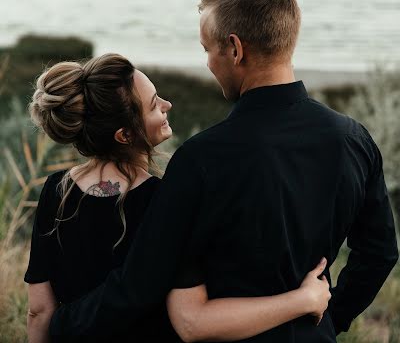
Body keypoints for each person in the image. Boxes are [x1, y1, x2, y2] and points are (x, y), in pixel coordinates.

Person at [49, 0, 399, 343]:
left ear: (235, 49)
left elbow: (139, 285)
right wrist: (327, 319)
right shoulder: (353, 140)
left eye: (207, 50)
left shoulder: (200, 159)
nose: (209, 64)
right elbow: (379, 254)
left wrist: (63, 325)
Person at [25, 53, 331, 343]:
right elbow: (191, 314)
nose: (168, 104)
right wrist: (302, 300)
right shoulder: (163, 198)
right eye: (155, 104)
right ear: (125, 135)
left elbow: (39, 310)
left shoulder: (55, 191)